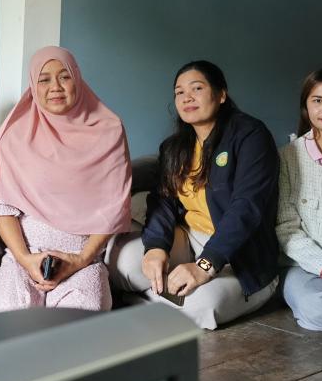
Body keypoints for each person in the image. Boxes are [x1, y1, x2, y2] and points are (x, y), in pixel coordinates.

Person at [107, 60, 279, 329]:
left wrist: (204, 266)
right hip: (190, 237)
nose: (187, 97)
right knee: (125, 264)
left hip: (240, 254)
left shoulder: (251, 135)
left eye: (197, 88)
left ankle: (140, 302)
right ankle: (163, 301)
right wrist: (155, 247)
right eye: (179, 92)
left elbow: (247, 207)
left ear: (221, 94)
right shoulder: (174, 147)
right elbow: (163, 201)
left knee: (204, 306)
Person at [0, 46, 131, 314]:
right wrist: (26, 259)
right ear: (33, 85)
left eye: (64, 77)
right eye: (44, 79)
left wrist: (80, 260)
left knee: (80, 323)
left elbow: (114, 209)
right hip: (24, 257)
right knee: (6, 317)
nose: (55, 87)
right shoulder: (14, 135)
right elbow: (4, 209)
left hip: (82, 259)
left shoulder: (109, 131)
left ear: (77, 79)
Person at [276, 69, 322, 331]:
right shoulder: (287, 157)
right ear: (306, 106)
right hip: (302, 266)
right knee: (317, 308)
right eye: (317, 100)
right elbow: (286, 229)